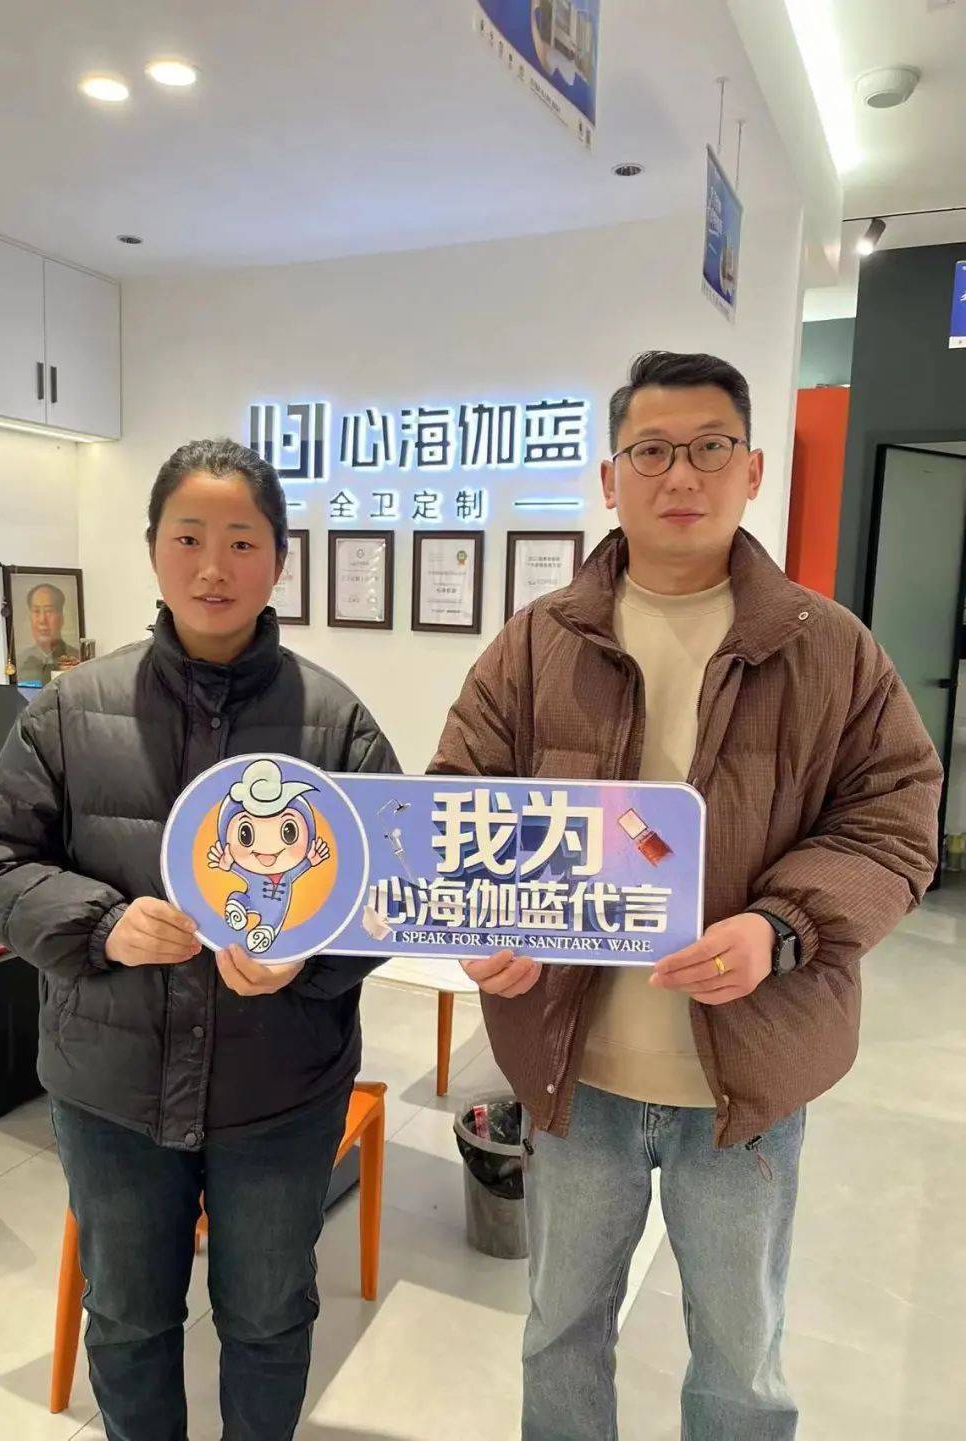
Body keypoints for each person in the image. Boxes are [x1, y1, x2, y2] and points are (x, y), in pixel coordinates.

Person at [431, 351, 941, 1441]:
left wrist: (780, 927)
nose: (681, 474)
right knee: (560, 1333)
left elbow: (896, 820)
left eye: (710, 447)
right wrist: (487, 922)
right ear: (610, 478)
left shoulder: (829, 649)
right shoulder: (537, 643)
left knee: (741, 1358)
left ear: (752, 470)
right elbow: (458, 804)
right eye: (651, 450)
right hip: (576, 1071)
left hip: (747, 1080)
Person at [0, 438, 399, 1441]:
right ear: (153, 548)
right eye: (188, 538)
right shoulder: (71, 708)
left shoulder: (336, 722)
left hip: (280, 1091)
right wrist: (103, 925)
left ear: (279, 560)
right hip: (111, 1090)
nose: (213, 567)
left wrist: (308, 954)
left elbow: (389, 893)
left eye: (242, 541)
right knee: (127, 1321)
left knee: (269, 1320)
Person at [14, 581, 81, 684]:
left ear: (61, 617)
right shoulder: (20, 661)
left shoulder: (78, 659)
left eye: (49, 611)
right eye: (36, 611)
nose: (42, 620)